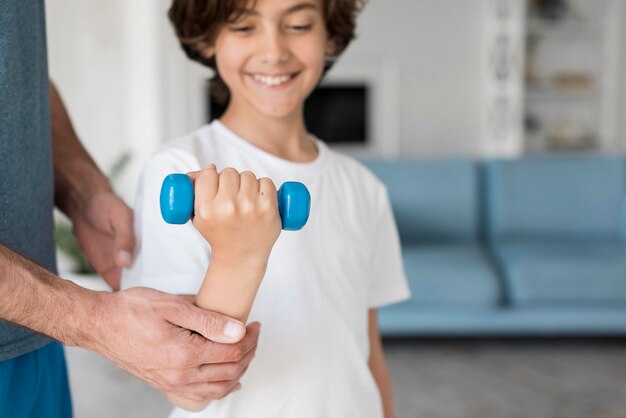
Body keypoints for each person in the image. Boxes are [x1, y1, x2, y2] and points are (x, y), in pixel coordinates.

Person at [121, 0, 410, 416]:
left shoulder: (364, 187)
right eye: (242, 27)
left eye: (297, 24)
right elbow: (187, 386)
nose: (274, 51)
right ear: (207, 39)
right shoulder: (180, 170)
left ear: (329, 34)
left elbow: (368, 353)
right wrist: (238, 253)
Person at [0, 2, 260, 417]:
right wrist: (90, 318)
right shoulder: (175, 164)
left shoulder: (359, 183)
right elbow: (194, 391)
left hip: (32, 332)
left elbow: (17, 69)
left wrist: (82, 191)